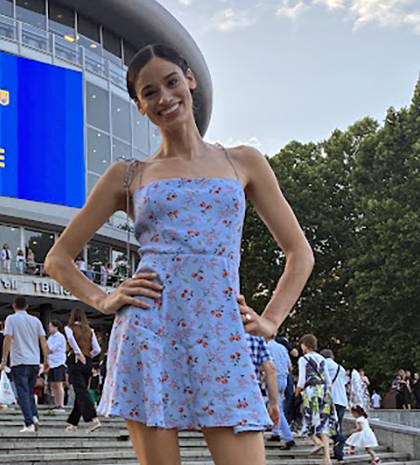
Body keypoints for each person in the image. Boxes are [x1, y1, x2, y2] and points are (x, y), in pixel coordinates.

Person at [44, 43, 314, 465]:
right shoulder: (128, 174)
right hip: (149, 331)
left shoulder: (243, 161)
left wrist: (271, 320)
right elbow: (58, 259)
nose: (164, 98)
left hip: (222, 332)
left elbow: (299, 252)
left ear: (190, 79)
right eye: (149, 92)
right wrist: (105, 298)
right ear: (138, 105)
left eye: (171, 82)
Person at [0, 296, 51, 432]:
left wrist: (4, 358)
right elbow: (43, 340)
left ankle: (29, 422)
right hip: (34, 361)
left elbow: (8, 338)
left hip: (19, 361)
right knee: (29, 391)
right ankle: (34, 416)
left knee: (22, 392)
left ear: (14, 306)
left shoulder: (11, 319)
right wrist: (46, 359)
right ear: (27, 306)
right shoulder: (35, 320)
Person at [297, 334, 336, 464]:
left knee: (308, 418)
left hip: (311, 391)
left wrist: (297, 393)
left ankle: (317, 442)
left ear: (305, 345)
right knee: (324, 424)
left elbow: (302, 380)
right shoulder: (321, 358)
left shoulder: (303, 359)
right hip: (324, 391)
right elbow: (328, 381)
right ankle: (327, 458)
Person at [63, 309, 101, 432]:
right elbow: (97, 349)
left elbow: (71, 339)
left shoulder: (69, 328)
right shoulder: (90, 330)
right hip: (88, 361)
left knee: (80, 390)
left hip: (75, 359)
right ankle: (73, 423)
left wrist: (78, 353)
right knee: (81, 390)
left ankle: (93, 418)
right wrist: (88, 355)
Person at [246, 335, 281, 431]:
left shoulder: (214, 334)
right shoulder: (255, 338)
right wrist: (273, 403)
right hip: (250, 394)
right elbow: (270, 369)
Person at [266, 338, 295, 450]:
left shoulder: (266, 347)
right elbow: (289, 366)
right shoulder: (282, 347)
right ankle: (275, 431)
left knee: (276, 408)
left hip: (274, 378)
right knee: (279, 405)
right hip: (284, 378)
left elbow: (267, 365)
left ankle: (288, 438)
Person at [321, 348, 349, 461]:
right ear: (332, 356)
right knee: (338, 424)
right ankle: (338, 453)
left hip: (329, 399)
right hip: (341, 400)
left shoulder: (322, 366)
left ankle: (338, 438)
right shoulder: (340, 368)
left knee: (325, 425)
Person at [46, 320, 67, 412]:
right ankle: (56, 404)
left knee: (58, 384)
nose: (49, 328)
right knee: (53, 384)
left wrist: (46, 349)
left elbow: (51, 349)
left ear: (56, 327)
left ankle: (61, 404)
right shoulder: (50, 338)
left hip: (58, 362)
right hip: (51, 362)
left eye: (51, 326)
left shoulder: (60, 337)